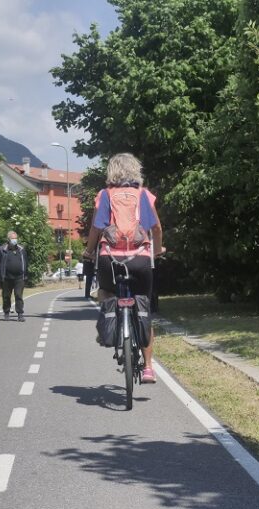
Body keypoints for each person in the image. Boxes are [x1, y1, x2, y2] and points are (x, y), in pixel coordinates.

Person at [83, 153, 164, 383]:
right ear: (136, 171)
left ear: (112, 172)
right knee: (144, 309)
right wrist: (156, 251)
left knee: (106, 292)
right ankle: (148, 368)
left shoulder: (105, 195)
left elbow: (96, 229)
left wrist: (89, 252)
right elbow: (156, 228)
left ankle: (108, 327)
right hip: (140, 260)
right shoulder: (143, 195)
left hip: (111, 260)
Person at [0, 230, 28, 322]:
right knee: (6, 296)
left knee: (18, 295)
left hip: (19, 277)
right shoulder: (2, 249)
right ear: (8, 239)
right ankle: (6, 313)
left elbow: (26, 262)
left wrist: (25, 275)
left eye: (15, 238)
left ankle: (20, 314)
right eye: (13, 238)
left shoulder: (21, 249)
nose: (15, 240)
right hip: (6, 277)